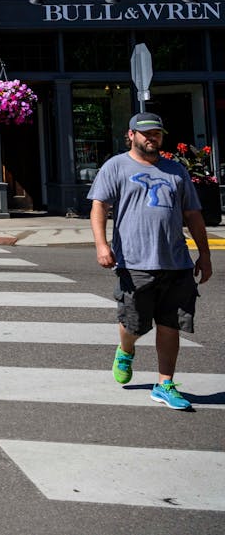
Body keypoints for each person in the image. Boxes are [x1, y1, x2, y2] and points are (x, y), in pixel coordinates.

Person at [88, 112, 212, 411]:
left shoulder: (175, 171)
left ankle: (165, 383)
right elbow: (99, 206)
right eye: (144, 133)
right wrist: (102, 245)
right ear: (130, 135)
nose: (151, 138)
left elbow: (193, 214)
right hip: (134, 261)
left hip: (176, 262)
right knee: (134, 323)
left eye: (156, 133)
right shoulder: (116, 166)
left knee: (171, 324)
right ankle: (126, 349)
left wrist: (204, 254)